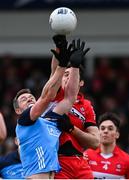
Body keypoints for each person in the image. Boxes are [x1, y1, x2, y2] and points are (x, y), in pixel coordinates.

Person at [14, 40, 84, 179]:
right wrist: (62, 66)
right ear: (17, 111)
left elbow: (70, 98)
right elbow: (47, 97)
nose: (29, 99)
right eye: (23, 99)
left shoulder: (50, 119)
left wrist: (75, 67)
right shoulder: (24, 121)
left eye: (31, 97)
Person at [50, 35, 100, 179]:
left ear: (81, 82)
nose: (66, 78)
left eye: (70, 75)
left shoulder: (87, 106)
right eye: (64, 75)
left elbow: (95, 142)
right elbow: (54, 72)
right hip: (58, 160)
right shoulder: (55, 95)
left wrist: (72, 129)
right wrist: (60, 49)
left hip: (80, 162)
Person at [85, 112, 129, 179]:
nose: (105, 131)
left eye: (110, 128)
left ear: (117, 134)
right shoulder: (87, 156)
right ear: (98, 133)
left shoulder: (127, 161)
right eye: (102, 128)